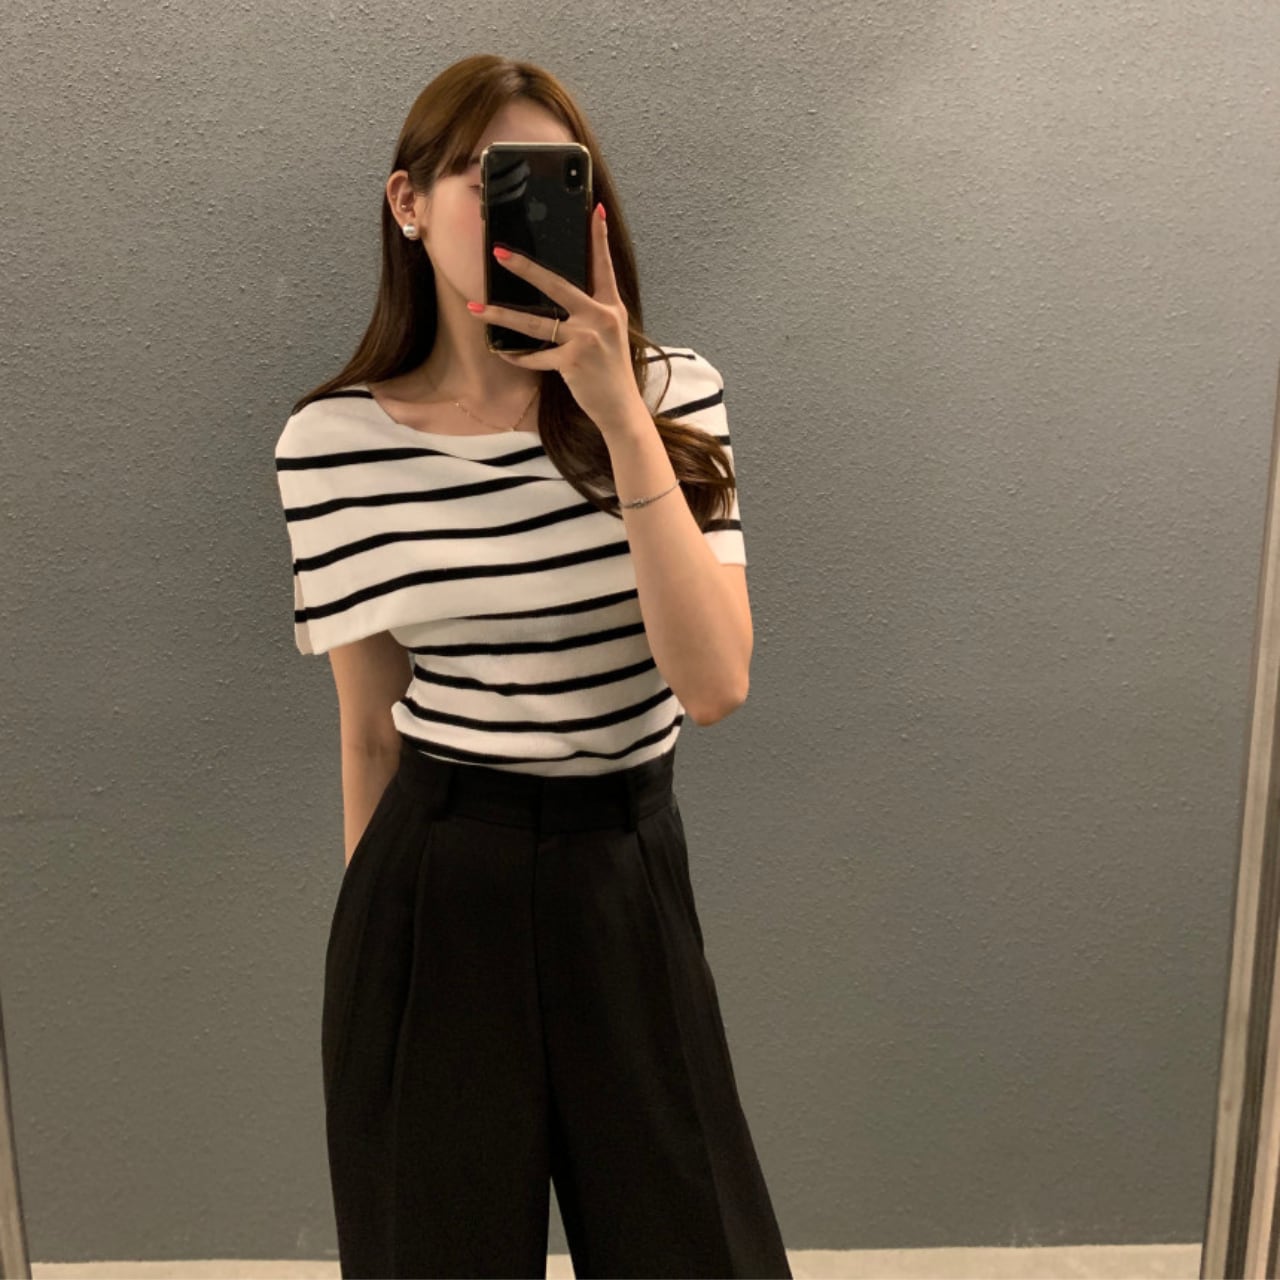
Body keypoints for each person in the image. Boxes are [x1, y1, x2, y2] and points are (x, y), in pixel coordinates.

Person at [273, 52, 791, 1280]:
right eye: (481, 173)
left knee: (695, 1248)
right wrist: (382, 957)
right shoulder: (331, 443)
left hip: (623, 870)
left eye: (555, 176)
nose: (514, 203)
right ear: (407, 204)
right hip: (437, 878)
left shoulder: (672, 395)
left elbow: (713, 683)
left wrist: (617, 418)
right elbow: (370, 729)